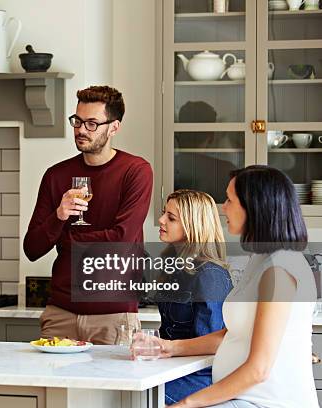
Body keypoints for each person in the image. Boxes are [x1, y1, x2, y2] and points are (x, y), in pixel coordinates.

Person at [150, 165, 318, 408]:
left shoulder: (279, 269)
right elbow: (236, 334)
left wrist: (186, 404)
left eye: (229, 200)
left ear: (253, 206)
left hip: (266, 402)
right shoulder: (261, 261)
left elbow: (258, 370)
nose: (223, 207)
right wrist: (169, 347)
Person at [23, 85, 153, 345]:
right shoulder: (56, 175)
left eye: (92, 123)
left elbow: (122, 239)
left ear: (114, 127)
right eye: (78, 121)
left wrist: (69, 239)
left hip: (114, 315)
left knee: (114, 388)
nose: (81, 130)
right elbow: (32, 248)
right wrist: (59, 216)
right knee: (50, 387)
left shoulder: (135, 171)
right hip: (60, 312)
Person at [156, 190, 233, 405]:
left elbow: (212, 344)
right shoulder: (175, 267)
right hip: (172, 368)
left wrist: (164, 348)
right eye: (164, 213)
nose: (161, 220)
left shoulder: (210, 274)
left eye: (171, 218)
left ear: (193, 226)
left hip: (200, 376)